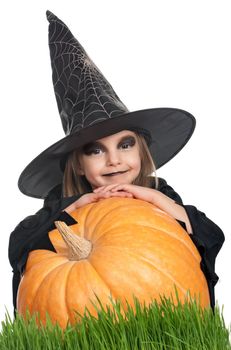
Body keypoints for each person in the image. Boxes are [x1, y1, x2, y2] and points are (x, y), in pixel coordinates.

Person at [8, 10, 224, 316]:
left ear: (140, 150)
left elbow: (206, 233)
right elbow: (20, 246)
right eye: (95, 151)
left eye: (125, 145)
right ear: (79, 164)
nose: (114, 161)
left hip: (157, 310)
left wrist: (151, 197)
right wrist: (77, 205)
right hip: (84, 313)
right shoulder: (61, 203)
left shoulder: (158, 192)